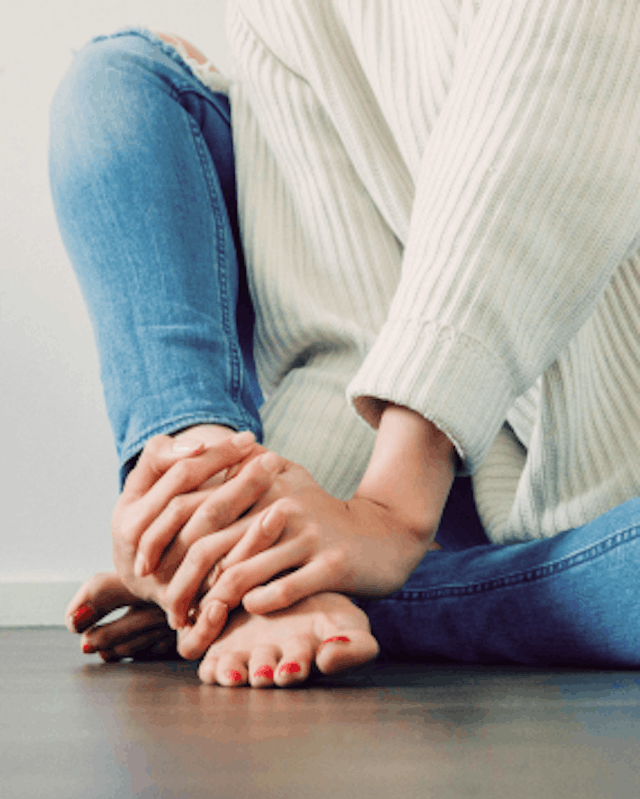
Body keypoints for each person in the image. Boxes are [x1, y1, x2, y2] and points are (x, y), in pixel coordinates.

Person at [52, 2, 640, 688]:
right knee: (114, 84)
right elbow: (340, 330)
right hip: (463, 474)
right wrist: (256, 544)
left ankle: (366, 603)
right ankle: (200, 528)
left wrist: (389, 515)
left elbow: (536, 144)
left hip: (604, 491)